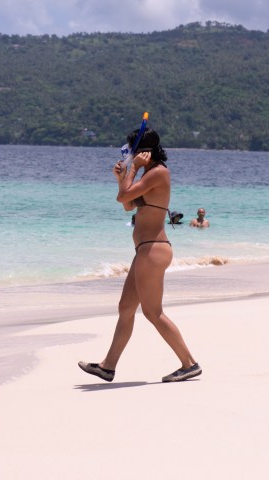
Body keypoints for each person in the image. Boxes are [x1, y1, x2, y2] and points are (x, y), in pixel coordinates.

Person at [78, 127, 201, 383]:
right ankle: (107, 366)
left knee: (152, 312)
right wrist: (121, 176)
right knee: (126, 307)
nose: (129, 154)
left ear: (143, 152)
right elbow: (128, 204)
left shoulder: (158, 173)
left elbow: (122, 197)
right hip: (145, 250)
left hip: (153, 249)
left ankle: (189, 364)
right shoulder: (149, 173)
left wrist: (131, 171)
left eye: (132, 151)